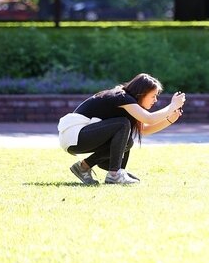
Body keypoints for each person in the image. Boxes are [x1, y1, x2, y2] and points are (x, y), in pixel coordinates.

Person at [58, 73, 186, 185]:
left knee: (128, 141)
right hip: (74, 135)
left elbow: (144, 130)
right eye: (153, 96)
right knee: (123, 124)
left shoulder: (129, 104)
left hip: (78, 138)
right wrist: (172, 105)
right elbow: (149, 118)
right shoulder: (122, 97)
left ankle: (84, 167)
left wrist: (169, 120)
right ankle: (115, 174)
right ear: (142, 93)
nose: (155, 100)